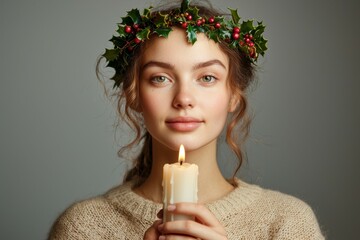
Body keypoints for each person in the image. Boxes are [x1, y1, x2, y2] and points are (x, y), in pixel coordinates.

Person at [48, 0, 324, 239]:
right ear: (134, 95)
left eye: (207, 78)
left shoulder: (287, 222)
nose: (183, 98)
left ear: (233, 95)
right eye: (160, 78)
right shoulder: (83, 227)